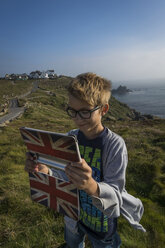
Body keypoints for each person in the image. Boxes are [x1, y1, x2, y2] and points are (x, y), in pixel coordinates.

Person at [25, 73, 145, 248]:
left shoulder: (114, 145)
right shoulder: (70, 138)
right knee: (73, 243)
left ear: (104, 109)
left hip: (102, 226)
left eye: (84, 112)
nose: (77, 118)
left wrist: (91, 186)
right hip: (73, 218)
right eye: (72, 111)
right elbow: (63, 174)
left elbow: (115, 194)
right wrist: (46, 171)